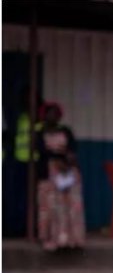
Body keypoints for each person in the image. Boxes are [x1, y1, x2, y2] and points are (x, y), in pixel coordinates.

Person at [35, 101, 86, 251]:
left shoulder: (66, 131)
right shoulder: (40, 132)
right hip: (50, 174)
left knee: (71, 206)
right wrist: (56, 160)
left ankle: (72, 240)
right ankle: (54, 239)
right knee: (52, 207)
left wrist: (68, 161)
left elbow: (72, 148)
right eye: (49, 113)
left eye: (55, 113)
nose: (53, 116)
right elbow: (41, 151)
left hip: (68, 173)